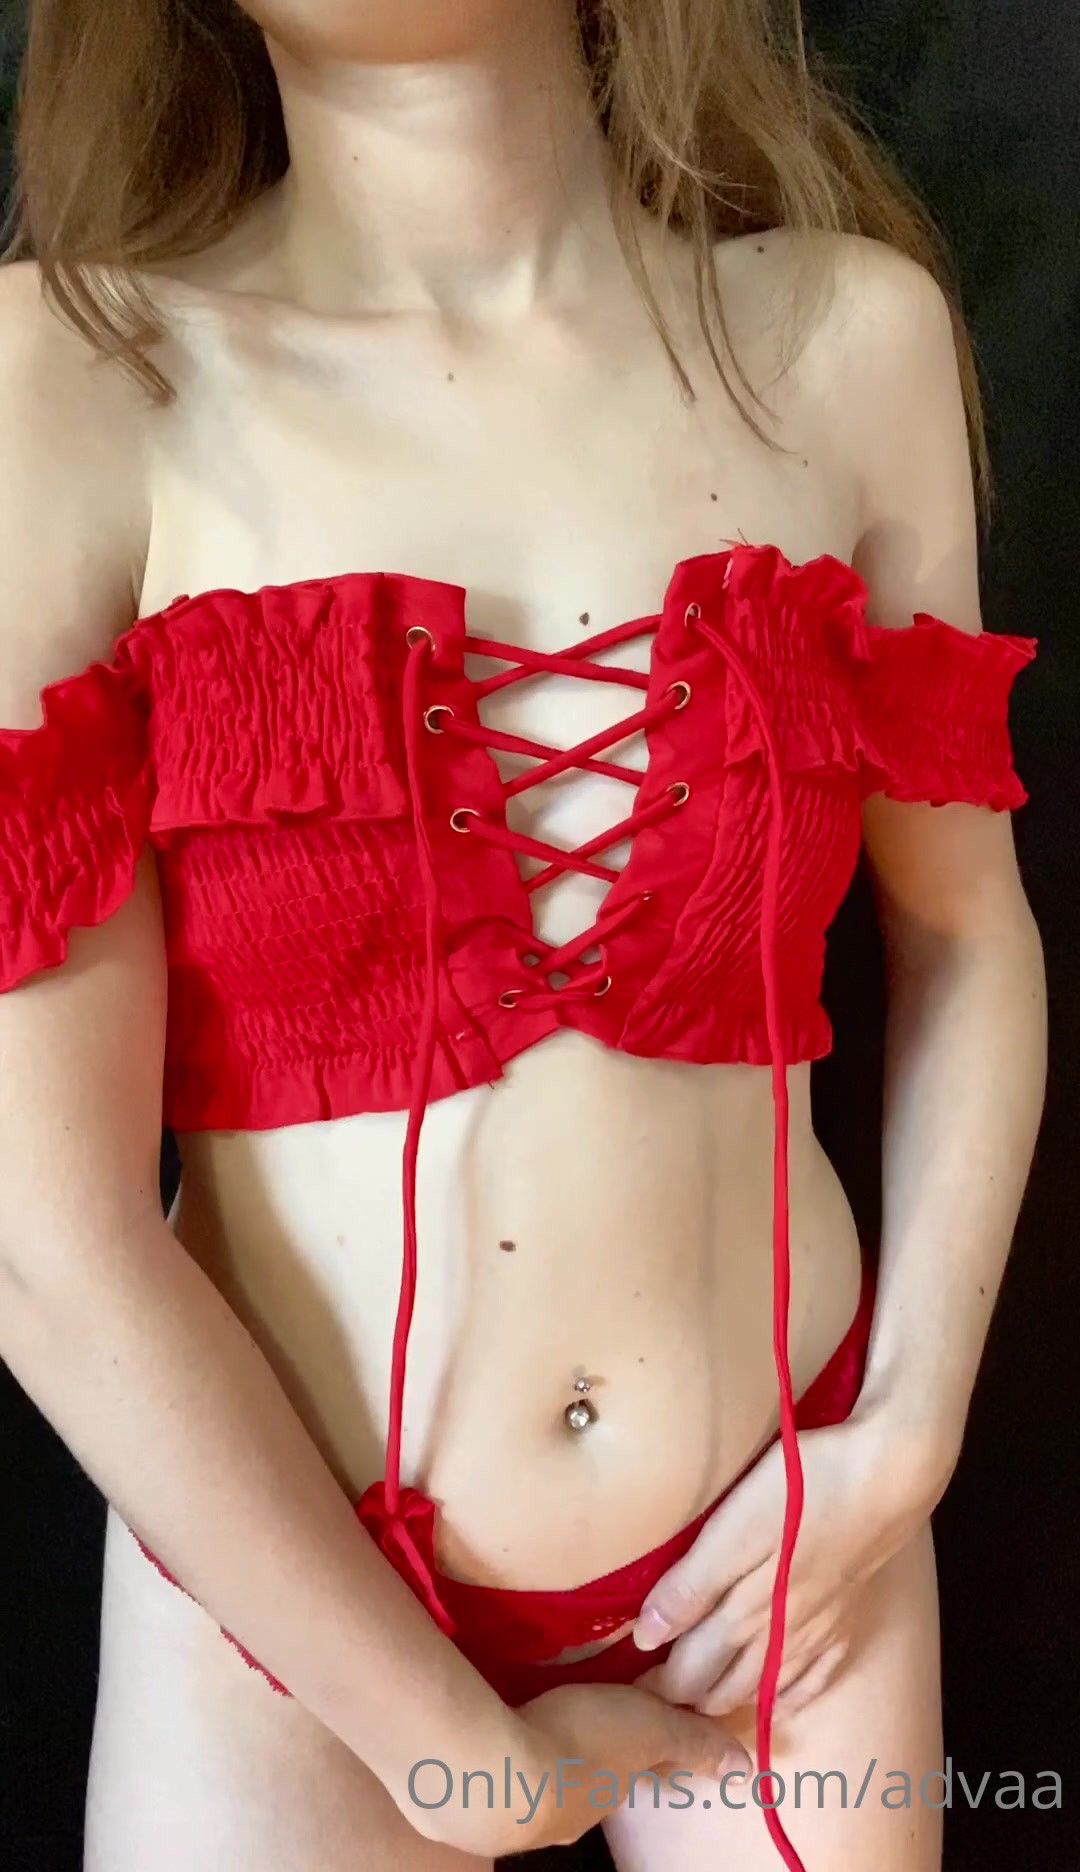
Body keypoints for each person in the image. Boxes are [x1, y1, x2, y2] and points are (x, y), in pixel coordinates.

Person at [0, 3, 1047, 1869]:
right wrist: (440, 1751)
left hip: (788, 1549)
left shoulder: (847, 341)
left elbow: (969, 933)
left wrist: (906, 1436)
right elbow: (44, 1236)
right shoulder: (69, 375)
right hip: (278, 1593)